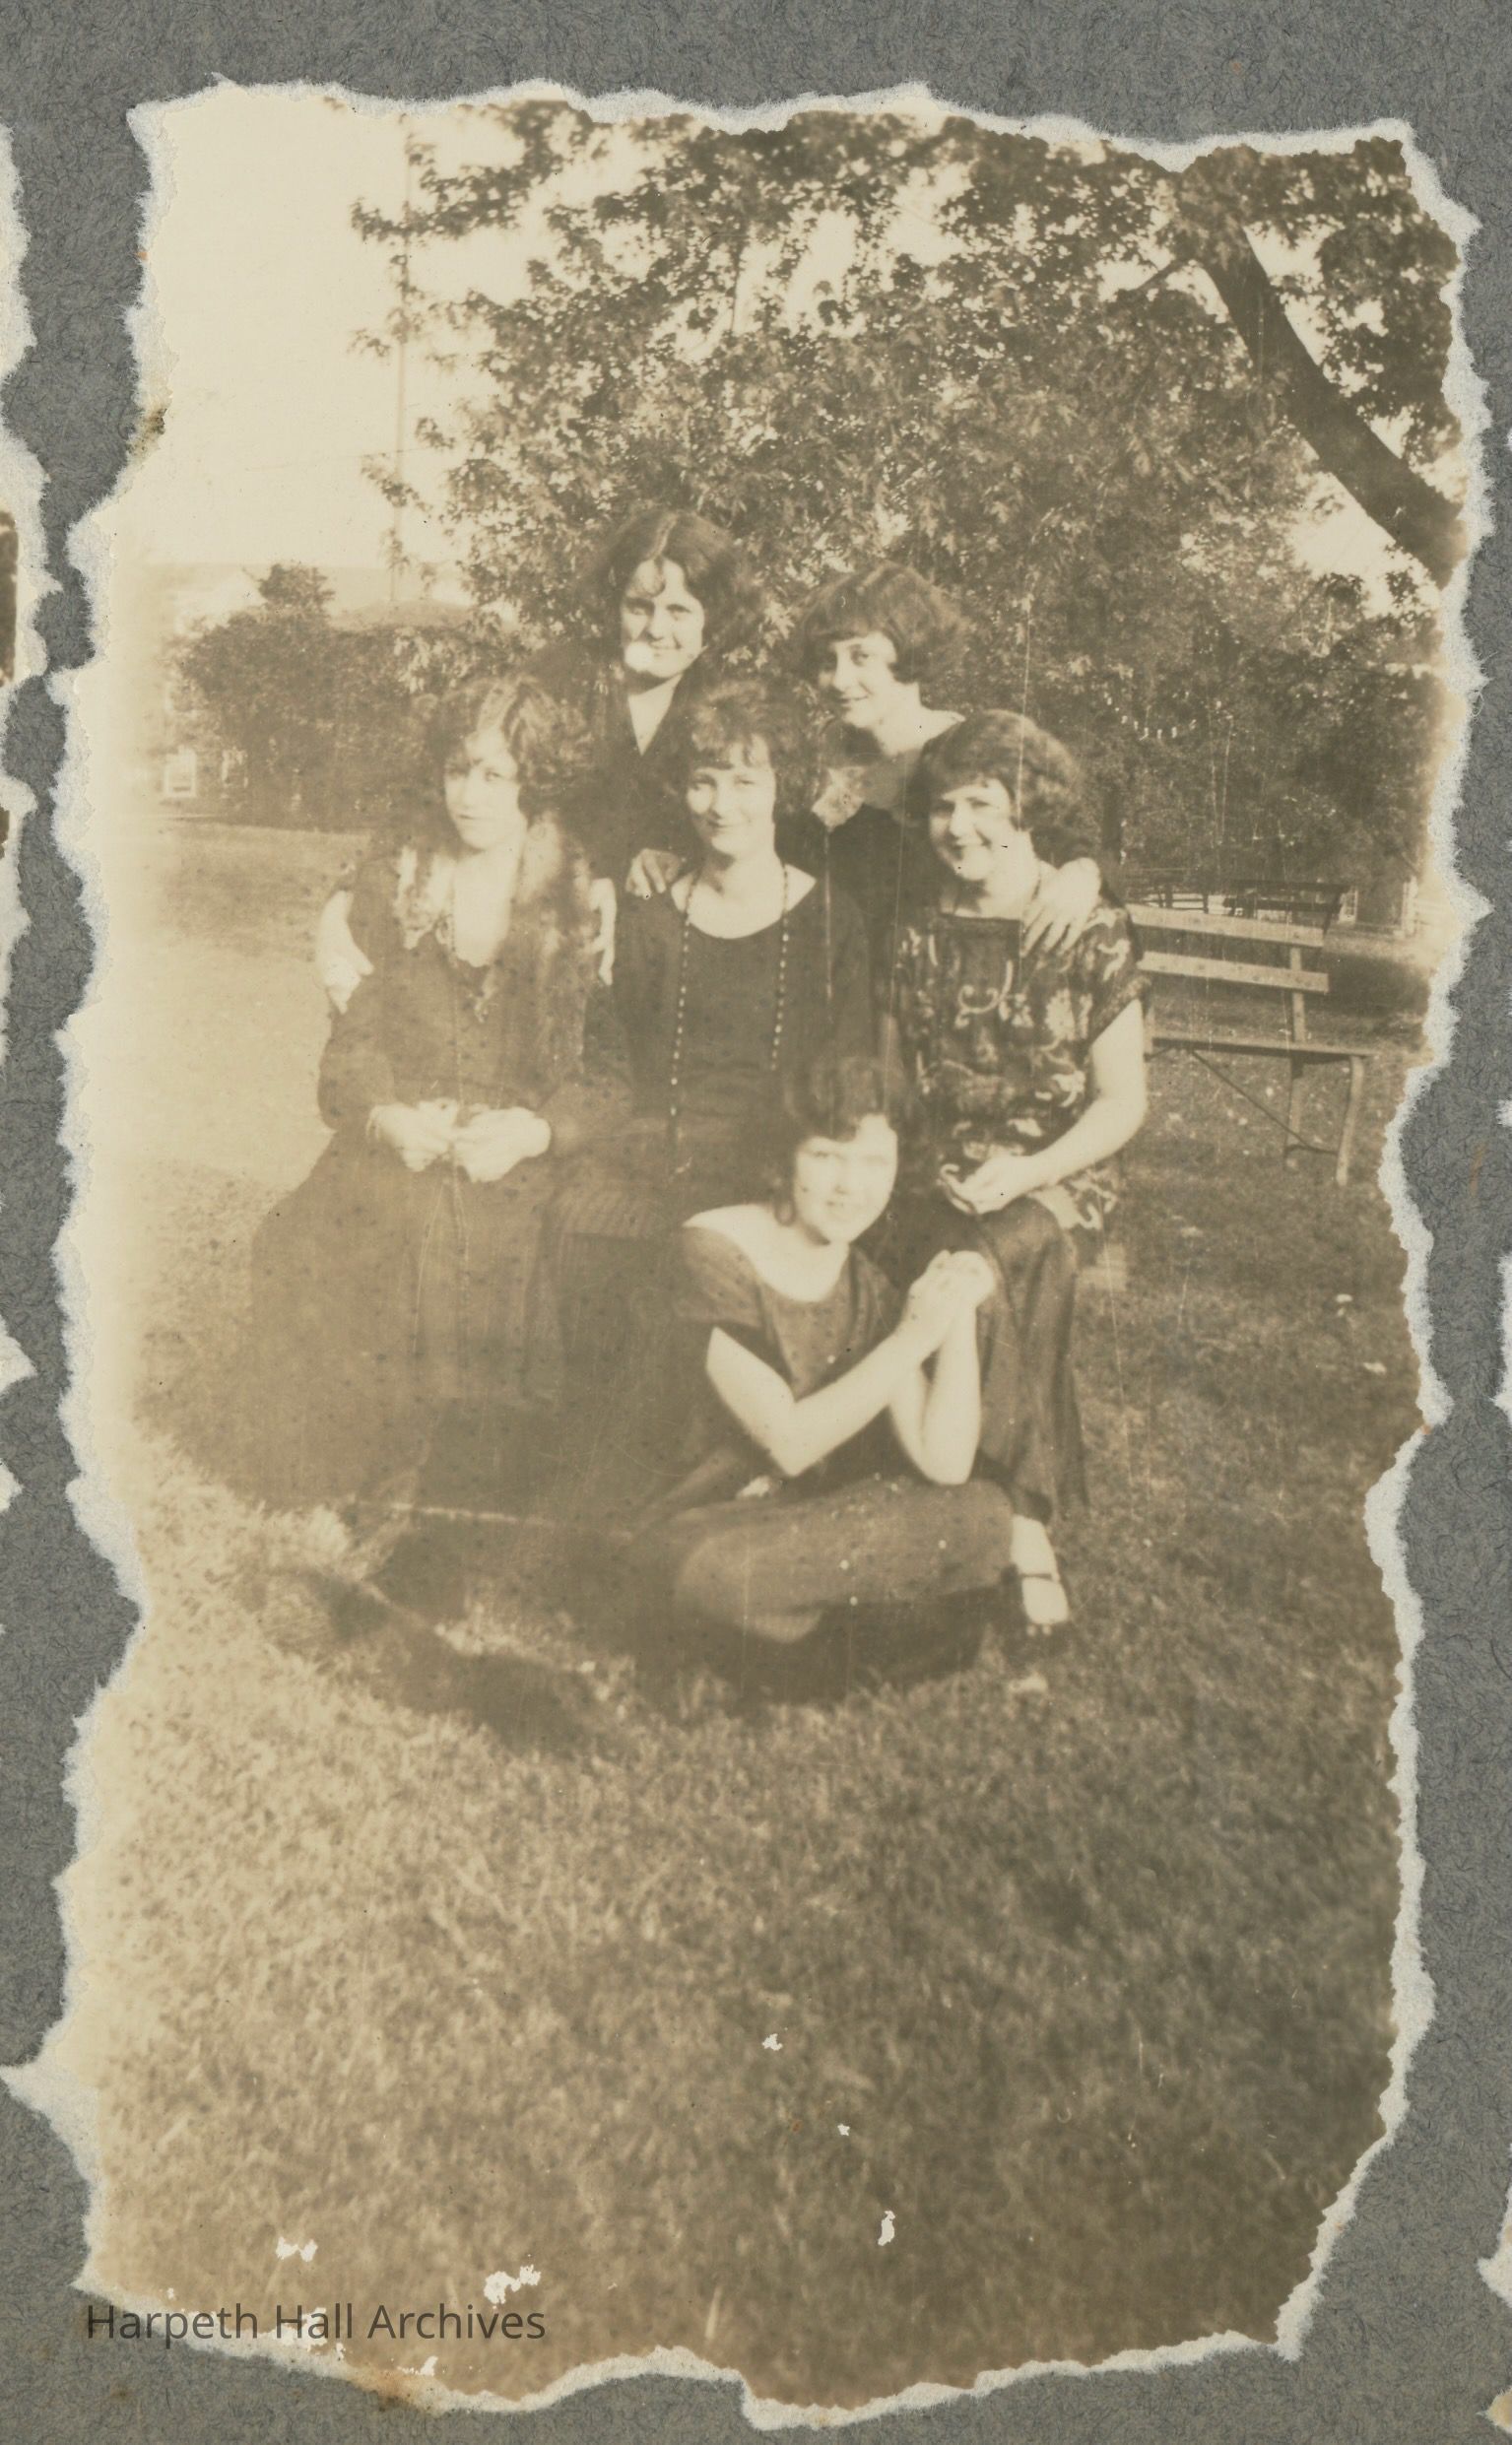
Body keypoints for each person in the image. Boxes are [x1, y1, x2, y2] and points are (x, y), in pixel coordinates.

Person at [245, 673, 600, 1516]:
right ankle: (326, 1474)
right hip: (409, 1124)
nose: (469, 795)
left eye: (495, 775)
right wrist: (383, 1116)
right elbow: (355, 1040)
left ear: (533, 782)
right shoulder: (400, 880)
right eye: (456, 770)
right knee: (302, 1237)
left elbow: (607, 1069)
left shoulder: (575, 896)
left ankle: (438, 1481)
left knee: (460, 1249)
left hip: (512, 1141)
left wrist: (536, 1131)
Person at [624, 1051, 1018, 1690]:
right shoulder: (709, 1252)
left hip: (798, 1527)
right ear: (783, 1157)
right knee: (715, 1573)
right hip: (693, 1523)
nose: (849, 1186)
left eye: (874, 1162)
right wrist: (912, 1335)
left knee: (984, 1511)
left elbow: (943, 1462)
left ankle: (787, 1635)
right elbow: (789, 1443)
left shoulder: (863, 1280)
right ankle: (862, 1629)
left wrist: (955, 1317)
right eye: (826, 1156)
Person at [887, 709, 1149, 1631]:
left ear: (1027, 808)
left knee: (998, 1252)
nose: (957, 827)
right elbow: (896, 1083)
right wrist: (922, 1164)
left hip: (1055, 1173)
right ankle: (943, 1491)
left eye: (981, 804)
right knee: (932, 1247)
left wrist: (1030, 1168)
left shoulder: (1091, 931)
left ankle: (1022, 1522)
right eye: (941, 807)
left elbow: (1121, 1103)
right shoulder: (915, 931)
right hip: (937, 1167)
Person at [314, 506, 763, 1010]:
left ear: (713, 617)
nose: (655, 630)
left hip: (657, 960)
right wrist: (343, 900)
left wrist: (684, 856)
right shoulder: (558, 678)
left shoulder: (725, 709)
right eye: (639, 607)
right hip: (536, 942)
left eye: (679, 611)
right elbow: (440, 793)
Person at [552, 679, 872, 1273]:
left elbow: (847, 1077)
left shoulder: (830, 921)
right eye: (704, 782)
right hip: (656, 1165)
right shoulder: (650, 922)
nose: (722, 806)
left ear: (782, 787)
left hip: (780, 1172)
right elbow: (616, 1071)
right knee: (574, 1220)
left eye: (745, 782)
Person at [782, 562, 1109, 998]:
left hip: (927, 1001)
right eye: (827, 661)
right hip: (818, 997)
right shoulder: (804, 759)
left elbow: (1074, 840)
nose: (839, 680)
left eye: (861, 657)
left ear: (910, 651)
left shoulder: (972, 750)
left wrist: (1081, 876)